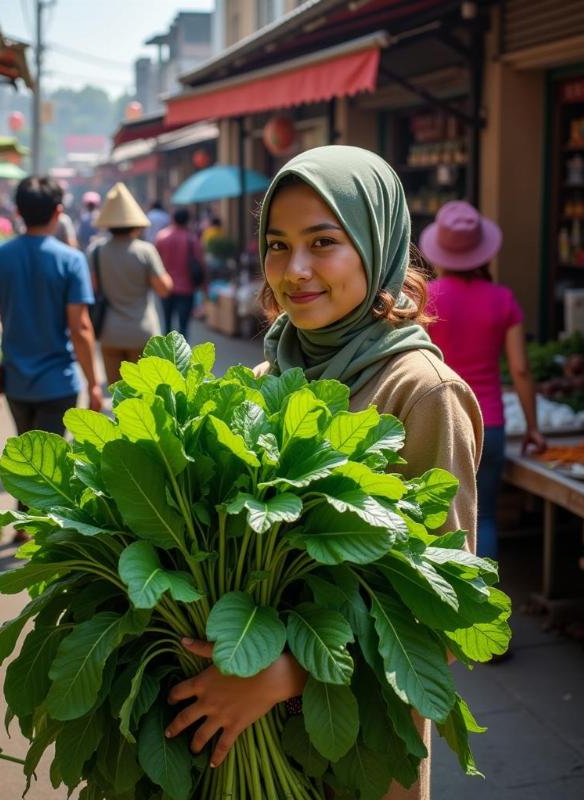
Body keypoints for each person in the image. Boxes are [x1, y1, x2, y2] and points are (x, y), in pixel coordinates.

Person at [163, 146, 483, 800]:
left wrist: (283, 675)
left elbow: (444, 624)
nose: (295, 269)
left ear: (378, 245)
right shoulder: (260, 382)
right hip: (239, 754)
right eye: (277, 245)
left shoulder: (421, 394)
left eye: (324, 242)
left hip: (358, 750)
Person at [420, 201, 546, 560]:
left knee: (435, 518)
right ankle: (484, 603)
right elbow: (521, 369)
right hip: (489, 423)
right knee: (484, 516)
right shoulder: (503, 299)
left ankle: (442, 605)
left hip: (439, 418)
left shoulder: (424, 298)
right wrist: (534, 428)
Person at [0, 176, 102, 438]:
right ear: (57, 212)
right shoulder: (72, 260)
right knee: (49, 466)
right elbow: (80, 327)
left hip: (15, 381)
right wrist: (93, 383)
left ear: (18, 212)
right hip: (59, 382)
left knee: (26, 455)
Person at [89, 182, 172, 385]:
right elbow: (164, 289)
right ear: (136, 223)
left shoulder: (96, 251)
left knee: (119, 396)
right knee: (144, 397)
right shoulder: (145, 251)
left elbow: (93, 289)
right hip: (142, 332)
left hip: (110, 333)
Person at [154, 208, 204, 340]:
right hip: (186, 288)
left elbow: (155, 263)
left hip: (165, 287)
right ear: (187, 220)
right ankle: (183, 357)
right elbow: (200, 263)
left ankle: (167, 357)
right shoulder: (192, 239)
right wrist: (205, 286)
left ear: (173, 218)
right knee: (183, 327)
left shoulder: (161, 237)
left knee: (167, 325)